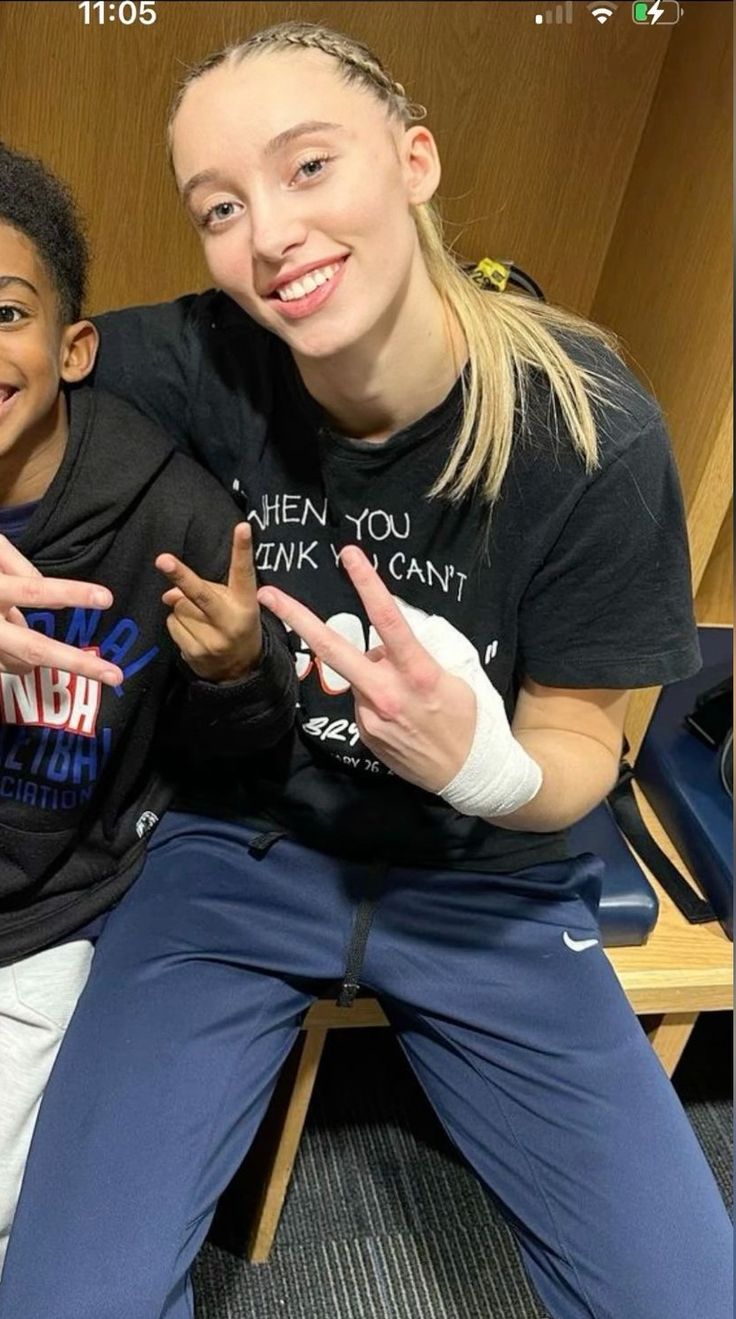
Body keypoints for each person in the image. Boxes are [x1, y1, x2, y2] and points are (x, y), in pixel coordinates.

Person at [0, 20, 732, 1319]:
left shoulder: (591, 425)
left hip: (485, 880)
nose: (267, 228)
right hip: (235, 856)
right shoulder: (197, 355)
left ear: (413, 161)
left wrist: (484, 760)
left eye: (307, 165)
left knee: (684, 1293)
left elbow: (581, 751)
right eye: (220, 202)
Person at [0, 141, 296, 1273]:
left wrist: (233, 669)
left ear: (74, 347)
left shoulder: (169, 512)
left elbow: (238, 756)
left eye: (7, 310)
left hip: (45, 916)